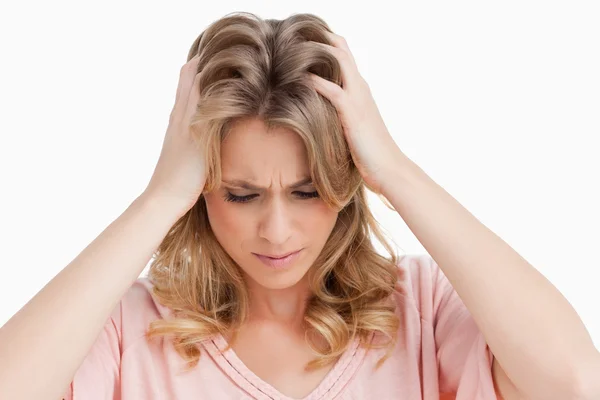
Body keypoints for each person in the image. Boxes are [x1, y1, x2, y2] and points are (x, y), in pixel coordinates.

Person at [0, 11, 598, 400]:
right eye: (242, 194)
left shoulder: (423, 309)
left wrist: (394, 169)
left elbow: (573, 382)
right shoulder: (130, 327)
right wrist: (158, 199)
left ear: (346, 182)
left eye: (307, 191)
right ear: (201, 186)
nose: (277, 230)